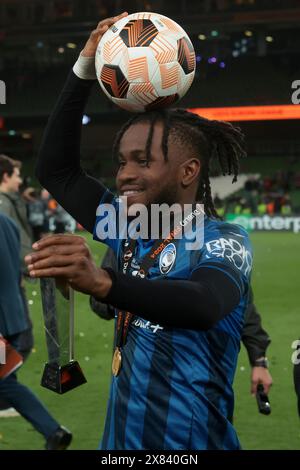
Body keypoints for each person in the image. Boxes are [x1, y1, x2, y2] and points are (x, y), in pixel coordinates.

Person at [25, 12, 254, 450]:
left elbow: (203, 303)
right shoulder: (127, 223)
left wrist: (104, 282)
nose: (125, 174)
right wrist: (83, 69)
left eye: (143, 161)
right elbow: (55, 169)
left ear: (189, 171)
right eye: (122, 161)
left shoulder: (225, 240)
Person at [90, 248, 273, 397]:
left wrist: (259, 360)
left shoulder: (214, 239)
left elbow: (242, 305)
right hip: (131, 392)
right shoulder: (126, 242)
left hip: (195, 392)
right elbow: (99, 303)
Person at [0, 213, 72, 450]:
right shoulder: (8, 222)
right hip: (13, 317)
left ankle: (53, 430)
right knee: (4, 381)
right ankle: (53, 431)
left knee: (4, 382)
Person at [0, 154, 34, 415]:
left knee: (18, 339)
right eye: (16, 175)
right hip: (9, 284)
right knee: (19, 338)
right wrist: (29, 264)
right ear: (5, 177)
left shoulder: (11, 202)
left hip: (13, 280)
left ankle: (5, 392)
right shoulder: (3, 206)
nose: (20, 180)